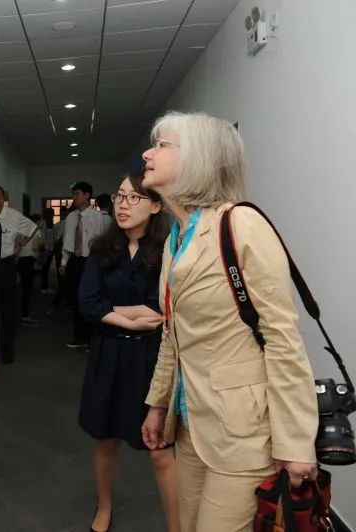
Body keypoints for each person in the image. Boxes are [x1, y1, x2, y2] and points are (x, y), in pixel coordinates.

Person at [139, 112, 318, 532]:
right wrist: (158, 403)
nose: (147, 153)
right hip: (192, 425)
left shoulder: (241, 224)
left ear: (198, 159)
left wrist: (295, 443)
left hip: (243, 433)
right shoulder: (175, 238)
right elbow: (172, 334)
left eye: (161, 145)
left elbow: (282, 339)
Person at [78, 174, 178, 532]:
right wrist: (129, 319)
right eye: (120, 196)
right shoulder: (101, 249)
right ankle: (104, 507)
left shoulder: (168, 250)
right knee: (106, 441)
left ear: (155, 206)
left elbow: (160, 308)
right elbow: (87, 303)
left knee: (159, 448)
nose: (123, 204)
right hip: (108, 355)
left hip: (150, 359)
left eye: (134, 198)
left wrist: (111, 311)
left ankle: (177, 525)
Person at [0, 184, 37, 364]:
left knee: (8, 312)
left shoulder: (13, 215)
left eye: (1, 196)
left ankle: (7, 352)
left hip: (6, 266)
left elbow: (33, 228)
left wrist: (20, 245)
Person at [60, 182, 111, 348]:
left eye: (77, 194)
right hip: (74, 260)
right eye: (73, 194)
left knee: (90, 298)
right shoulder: (71, 217)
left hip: (91, 260)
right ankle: (79, 338)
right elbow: (68, 241)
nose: (74, 197)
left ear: (87, 195)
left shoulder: (98, 217)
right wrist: (64, 262)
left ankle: (92, 339)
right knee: (75, 299)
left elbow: (103, 242)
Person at [17, 214, 42, 326]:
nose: (43, 222)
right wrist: (41, 243)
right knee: (27, 290)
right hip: (28, 262)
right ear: (37, 221)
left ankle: (25, 314)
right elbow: (35, 247)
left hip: (20, 261)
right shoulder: (36, 231)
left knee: (24, 289)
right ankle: (24, 316)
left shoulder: (22, 231)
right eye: (41, 220)